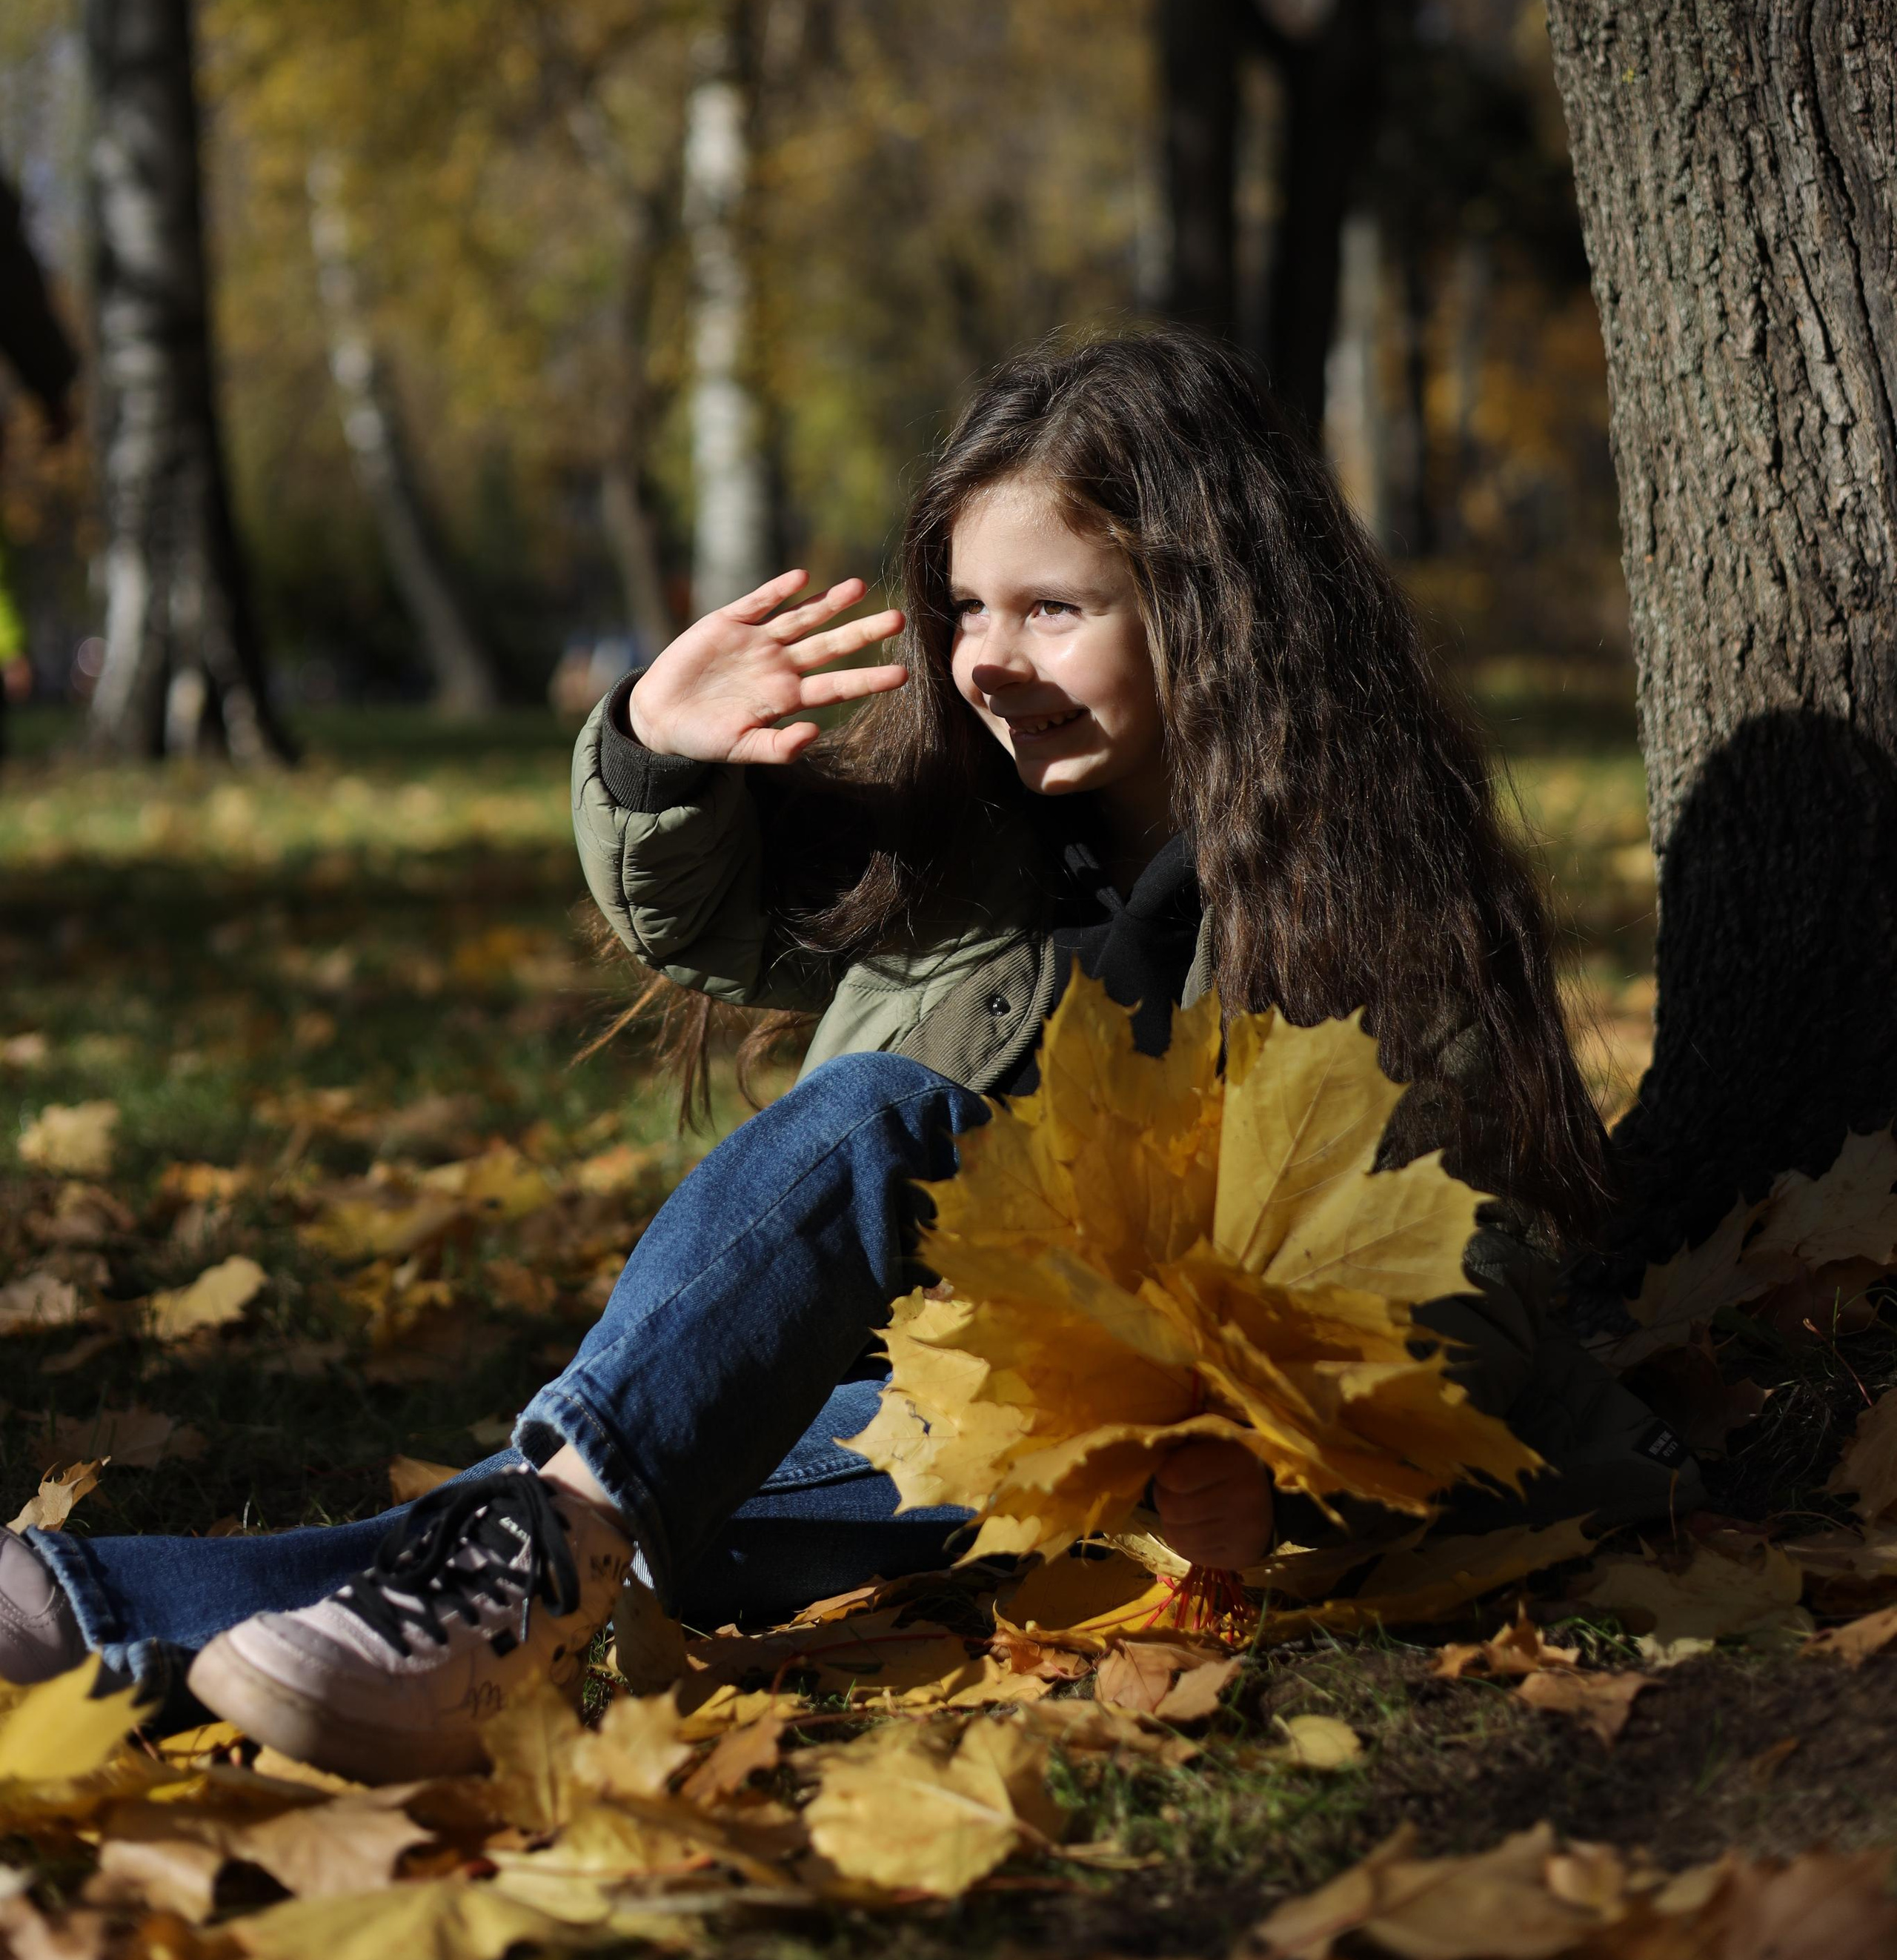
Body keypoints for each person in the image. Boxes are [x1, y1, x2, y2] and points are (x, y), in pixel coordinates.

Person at [0, 333, 1695, 1780]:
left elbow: (1480, 1262)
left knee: (740, 1373)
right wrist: (661, 758)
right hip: (929, 1421)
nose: (988, 661)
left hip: (1193, 1481)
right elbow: (712, 908)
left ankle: (109, 1612)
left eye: (1051, 608)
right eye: (963, 606)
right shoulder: (967, 841)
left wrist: (1264, 1438)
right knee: (697, 1445)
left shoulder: (1371, 895)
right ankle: (361, 1614)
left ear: (1212, 608)